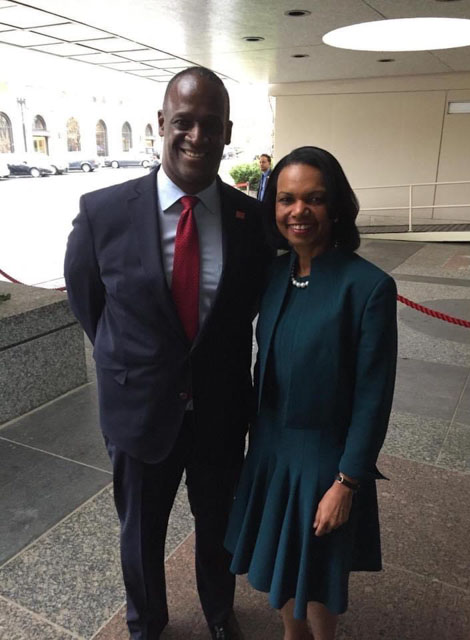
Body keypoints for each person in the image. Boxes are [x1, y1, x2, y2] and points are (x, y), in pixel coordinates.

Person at [64, 66, 271, 640]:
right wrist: (132, 361)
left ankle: (218, 612)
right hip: (139, 410)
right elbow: (89, 303)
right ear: (162, 124)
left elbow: (247, 306)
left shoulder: (250, 222)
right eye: (183, 122)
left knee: (218, 523)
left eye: (210, 124)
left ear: (228, 131)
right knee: (141, 530)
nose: (197, 136)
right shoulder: (103, 214)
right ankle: (146, 623)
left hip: (220, 410)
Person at [225, 146, 397, 640]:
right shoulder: (276, 274)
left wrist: (348, 481)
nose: (298, 211)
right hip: (272, 452)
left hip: (326, 463)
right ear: (272, 207)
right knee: (282, 570)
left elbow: (374, 396)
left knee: (318, 581)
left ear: (336, 206)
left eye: (314, 199)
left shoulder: (367, 287)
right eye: (286, 199)